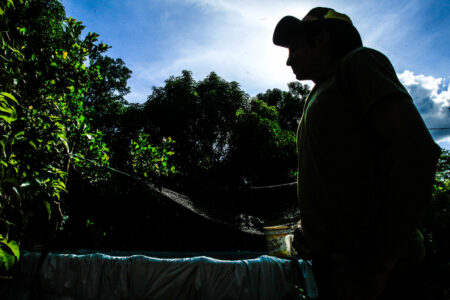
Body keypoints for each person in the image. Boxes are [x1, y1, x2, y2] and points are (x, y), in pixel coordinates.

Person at [273, 7, 441, 300]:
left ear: (322, 39)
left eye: (295, 48)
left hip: (377, 273)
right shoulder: (320, 93)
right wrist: (310, 229)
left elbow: (417, 152)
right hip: (337, 267)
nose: (288, 60)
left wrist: (377, 265)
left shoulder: (358, 64)